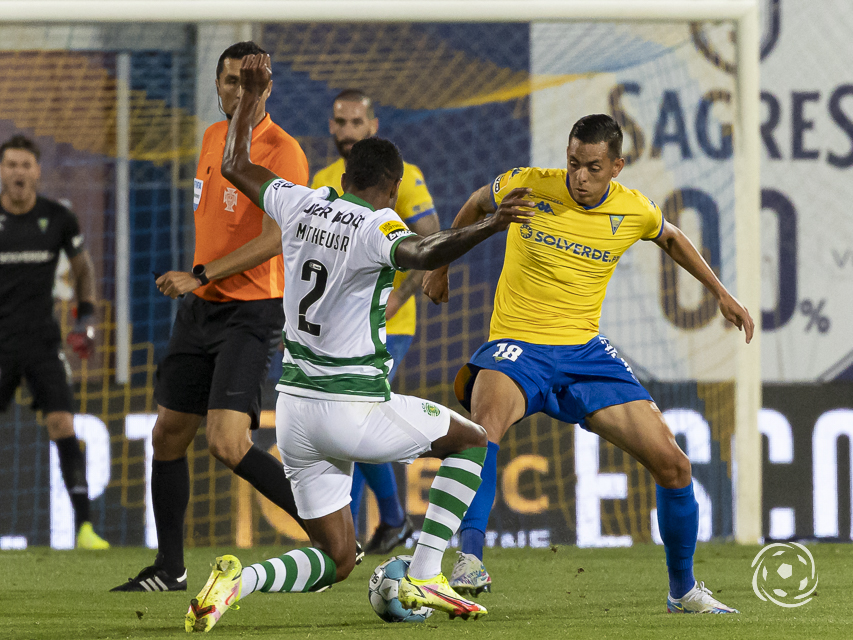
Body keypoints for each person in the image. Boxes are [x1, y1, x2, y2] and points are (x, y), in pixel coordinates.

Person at [183, 54, 536, 632]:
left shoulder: (301, 202)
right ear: (392, 188)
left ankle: (235, 582)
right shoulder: (379, 226)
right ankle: (424, 572)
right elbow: (424, 254)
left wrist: (250, 95)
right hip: (351, 406)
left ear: (343, 178)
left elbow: (235, 162)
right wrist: (493, 225)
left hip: (293, 412)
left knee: (339, 557)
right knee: (472, 442)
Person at [423, 114, 754, 613]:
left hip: (585, 352)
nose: (580, 177)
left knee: (675, 465)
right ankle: (467, 560)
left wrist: (721, 294)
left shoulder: (632, 208)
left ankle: (682, 590)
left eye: (593, 167)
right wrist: (441, 263)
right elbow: (475, 202)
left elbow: (670, 237)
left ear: (616, 166)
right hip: (518, 345)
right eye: (574, 163)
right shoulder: (528, 184)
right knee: (481, 430)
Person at [111, 41, 309, 593]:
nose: (237, 92)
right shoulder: (211, 138)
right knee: (168, 434)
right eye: (229, 81)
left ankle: (328, 526)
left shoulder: (283, 151)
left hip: (252, 311)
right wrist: (203, 286)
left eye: (248, 83)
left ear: (266, 87)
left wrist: (201, 274)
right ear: (218, 85)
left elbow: (276, 237)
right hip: (203, 310)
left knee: (226, 441)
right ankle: (170, 568)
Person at [311, 89, 441, 554]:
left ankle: (385, 522)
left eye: (355, 123)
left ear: (373, 126)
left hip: (390, 326)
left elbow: (432, 243)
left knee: (355, 416)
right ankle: (371, 529)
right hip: (340, 328)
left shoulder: (402, 179)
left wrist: (396, 298)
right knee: (349, 425)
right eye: (339, 122)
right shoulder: (323, 180)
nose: (345, 132)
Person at [0, 134, 108, 550]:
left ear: (37, 171)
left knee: (63, 422)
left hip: (42, 342)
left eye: (26, 165)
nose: (19, 173)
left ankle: (84, 528)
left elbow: (83, 270)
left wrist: (86, 321)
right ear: (2, 171)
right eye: (11, 165)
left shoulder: (57, 217)